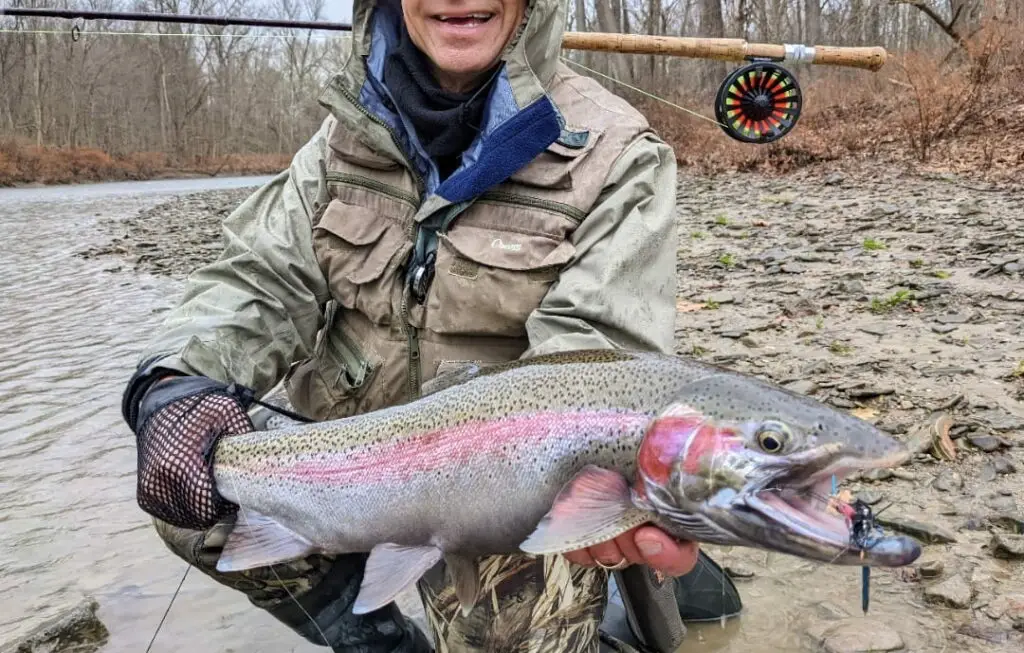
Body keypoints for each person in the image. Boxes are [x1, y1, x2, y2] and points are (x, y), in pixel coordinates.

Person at [120, 0, 741, 651]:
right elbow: (256, 281)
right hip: (347, 458)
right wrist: (172, 381)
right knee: (192, 474)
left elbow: (592, 368)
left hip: (499, 494)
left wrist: (599, 497)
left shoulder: (617, 157)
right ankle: (379, 640)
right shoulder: (343, 137)